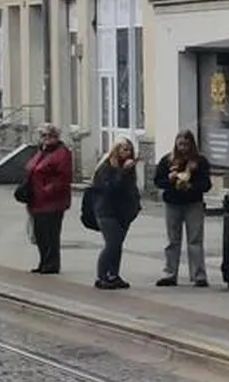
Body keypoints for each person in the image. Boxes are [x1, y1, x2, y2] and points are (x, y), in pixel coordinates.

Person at [154, 132, 213, 287]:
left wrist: (192, 185)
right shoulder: (168, 160)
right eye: (180, 144)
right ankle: (170, 273)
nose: (183, 148)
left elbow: (206, 185)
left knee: (195, 240)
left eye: (186, 145)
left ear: (192, 145)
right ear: (176, 144)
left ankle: (198, 275)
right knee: (172, 240)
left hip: (193, 203)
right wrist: (170, 179)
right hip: (173, 202)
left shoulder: (200, 162)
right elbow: (158, 181)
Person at [86, 137, 142, 290]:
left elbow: (130, 189)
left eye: (129, 149)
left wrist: (136, 205)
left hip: (123, 212)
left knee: (118, 245)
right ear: (116, 150)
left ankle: (114, 275)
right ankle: (101, 276)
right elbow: (110, 188)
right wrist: (123, 172)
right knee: (111, 244)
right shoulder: (106, 167)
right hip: (106, 211)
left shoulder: (129, 168)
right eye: (124, 149)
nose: (127, 152)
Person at [20, 123, 74, 274]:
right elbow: (32, 168)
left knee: (51, 234)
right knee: (40, 234)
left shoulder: (62, 153)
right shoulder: (41, 151)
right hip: (36, 200)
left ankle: (51, 264)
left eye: (50, 136)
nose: (46, 139)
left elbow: (64, 177)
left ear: (57, 137)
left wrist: (47, 190)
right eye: (43, 136)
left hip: (52, 202)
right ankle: (43, 261)